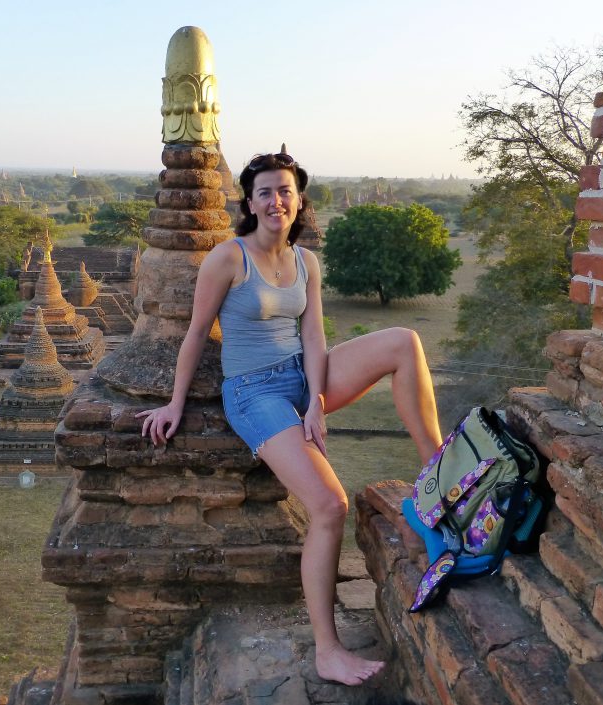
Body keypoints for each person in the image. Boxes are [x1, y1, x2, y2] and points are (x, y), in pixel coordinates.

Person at [137, 152, 443, 686]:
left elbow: (315, 336)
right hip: (254, 393)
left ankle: (438, 484)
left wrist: (317, 402)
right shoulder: (228, 259)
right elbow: (195, 334)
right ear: (249, 204)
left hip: (304, 376)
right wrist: (174, 403)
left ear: (299, 199)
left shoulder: (306, 262)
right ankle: (328, 649)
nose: (275, 201)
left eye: (285, 191)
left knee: (404, 341)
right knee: (329, 505)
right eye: (264, 193)